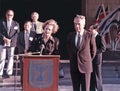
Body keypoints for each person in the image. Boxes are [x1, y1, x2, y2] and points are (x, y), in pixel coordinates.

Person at [67, 15, 96, 91]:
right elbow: (69, 49)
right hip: (74, 67)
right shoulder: (70, 36)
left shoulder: (89, 35)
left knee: (85, 89)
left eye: (79, 24)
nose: (77, 26)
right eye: (75, 24)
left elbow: (93, 51)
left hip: (85, 67)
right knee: (75, 89)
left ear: (84, 24)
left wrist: (86, 60)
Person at [0, 9, 20, 79]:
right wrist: (4, 38)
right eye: (8, 15)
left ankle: (9, 73)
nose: (9, 16)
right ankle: (0, 73)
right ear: (6, 15)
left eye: (11, 15)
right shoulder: (1, 22)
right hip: (3, 42)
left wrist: (10, 40)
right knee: (2, 58)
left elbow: (17, 34)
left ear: (13, 16)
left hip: (12, 43)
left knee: (10, 58)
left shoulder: (16, 23)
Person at [17, 21, 36, 86]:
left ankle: (31, 84)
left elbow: (34, 44)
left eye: (28, 25)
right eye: (25, 25)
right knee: (23, 69)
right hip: (22, 54)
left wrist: (30, 50)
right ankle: (23, 84)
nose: (26, 27)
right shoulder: (20, 34)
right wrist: (23, 50)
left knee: (31, 69)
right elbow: (18, 43)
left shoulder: (34, 34)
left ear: (31, 26)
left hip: (31, 54)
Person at [89, 25, 106, 91]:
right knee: (91, 75)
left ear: (95, 30)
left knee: (97, 75)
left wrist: (94, 52)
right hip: (91, 59)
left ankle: (99, 89)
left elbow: (103, 48)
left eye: (91, 29)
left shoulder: (100, 37)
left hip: (97, 60)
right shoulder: (90, 37)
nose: (89, 30)